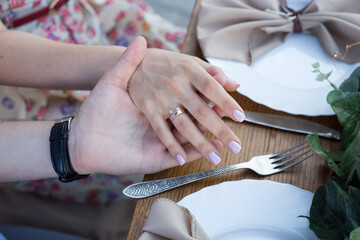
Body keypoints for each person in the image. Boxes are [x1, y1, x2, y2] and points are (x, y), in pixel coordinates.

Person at [0, 0, 245, 238]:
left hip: (91, 15)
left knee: (216, 66)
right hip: (28, 80)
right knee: (162, 173)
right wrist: (129, 65)